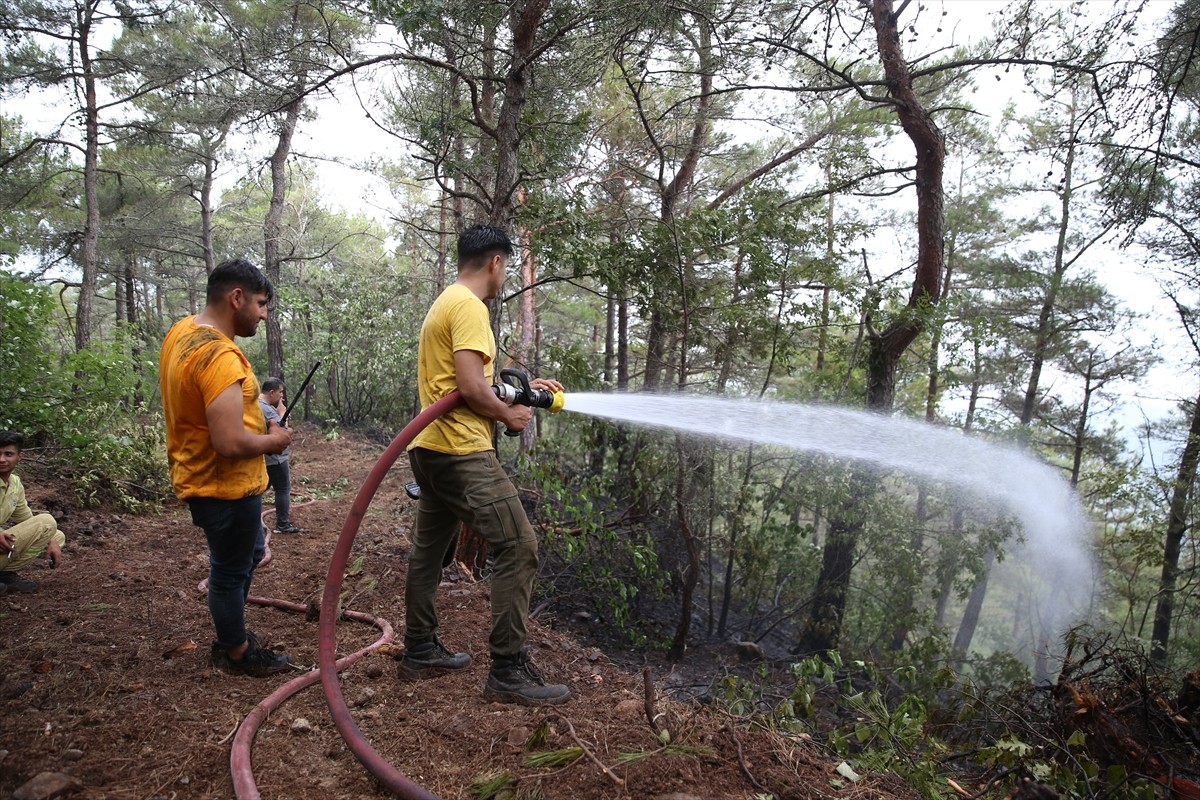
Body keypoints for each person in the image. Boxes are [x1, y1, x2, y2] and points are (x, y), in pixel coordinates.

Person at [398, 223, 569, 706]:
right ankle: (508, 671)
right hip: (460, 450)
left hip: (428, 449)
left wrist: (523, 391)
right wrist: (508, 414)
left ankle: (419, 648)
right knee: (518, 544)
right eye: (507, 264)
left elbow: (468, 382)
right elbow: (472, 390)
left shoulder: (446, 302)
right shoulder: (472, 307)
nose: (506, 273)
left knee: (428, 553)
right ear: (496, 261)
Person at [160, 258, 294, 677]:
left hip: (208, 480)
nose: (263, 313)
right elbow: (230, 441)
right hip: (223, 487)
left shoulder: (183, 333)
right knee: (228, 571)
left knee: (250, 552)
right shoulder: (219, 354)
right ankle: (234, 650)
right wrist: (274, 441)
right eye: (259, 303)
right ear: (236, 298)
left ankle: (231, 637)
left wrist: (263, 418)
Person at [0, 431, 65, 594]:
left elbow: (26, 519)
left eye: (8, 454)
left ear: (19, 457)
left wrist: (50, 540)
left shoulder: (14, 483)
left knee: (56, 536)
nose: (1, 459)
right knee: (46, 521)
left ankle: (4, 574)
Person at [258, 377, 304, 534]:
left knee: (263, 487)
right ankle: (282, 524)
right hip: (275, 458)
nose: (281, 397)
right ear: (271, 392)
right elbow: (283, 435)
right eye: (280, 392)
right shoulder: (267, 409)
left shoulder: (255, 404)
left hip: (264, 456)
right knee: (283, 488)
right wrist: (282, 412)